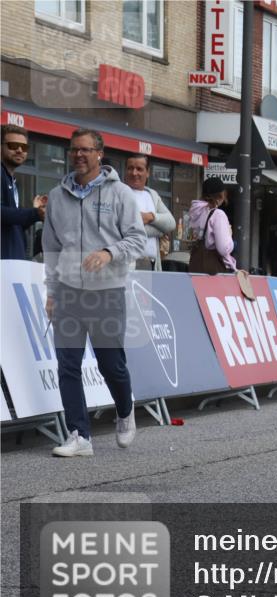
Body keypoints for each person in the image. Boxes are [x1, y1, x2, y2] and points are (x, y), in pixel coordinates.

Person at [42, 128, 145, 457]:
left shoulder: (121, 194)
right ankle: (79, 435)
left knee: (110, 364)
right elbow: (52, 249)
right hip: (70, 292)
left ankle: (125, 412)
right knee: (67, 364)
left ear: (100, 154)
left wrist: (108, 253)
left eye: (85, 150)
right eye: (74, 150)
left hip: (107, 291)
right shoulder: (57, 196)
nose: (79, 155)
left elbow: (137, 239)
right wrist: (52, 292)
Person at [1, 124, 46, 259]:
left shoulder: (11, 179)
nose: (20, 150)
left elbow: (13, 226)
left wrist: (34, 213)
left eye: (24, 147)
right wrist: (35, 213)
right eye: (13, 145)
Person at [124, 154, 175, 271]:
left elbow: (171, 223)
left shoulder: (152, 195)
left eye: (139, 169)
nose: (134, 173)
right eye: (130, 168)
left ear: (148, 172)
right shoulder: (119, 194)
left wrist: (151, 217)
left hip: (151, 264)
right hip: (128, 264)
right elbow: (125, 230)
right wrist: (160, 231)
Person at [187, 177, 236, 274]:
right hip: (213, 270)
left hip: (196, 265)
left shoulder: (194, 211)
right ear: (221, 195)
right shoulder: (218, 214)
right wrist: (229, 235)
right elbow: (223, 249)